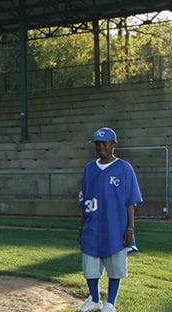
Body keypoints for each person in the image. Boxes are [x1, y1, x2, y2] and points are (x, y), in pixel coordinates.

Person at [77, 127, 143, 312]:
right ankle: (94, 299)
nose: (100, 147)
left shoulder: (124, 168)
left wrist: (130, 228)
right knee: (90, 265)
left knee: (115, 267)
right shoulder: (89, 169)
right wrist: (81, 227)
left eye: (104, 143)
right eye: (97, 143)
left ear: (114, 144)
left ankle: (111, 303)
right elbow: (84, 201)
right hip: (92, 225)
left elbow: (131, 201)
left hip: (115, 226)